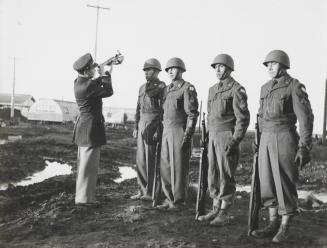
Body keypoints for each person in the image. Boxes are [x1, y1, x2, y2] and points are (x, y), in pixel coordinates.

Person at [251, 50, 314, 243]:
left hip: (285, 136)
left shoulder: (294, 86)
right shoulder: (264, 88)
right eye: (267, 64)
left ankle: (285, 226)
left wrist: (304, 146)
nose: (269, 67)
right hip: (266, 138)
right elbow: (261, 116)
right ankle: (273, 223)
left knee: (284, 182)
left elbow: (305, 118)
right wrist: (258, 140)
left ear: (284, 65)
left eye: (273, 64)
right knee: (267, 182)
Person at [197, 54, 250, 226]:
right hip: (212, 136)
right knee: (213, 173)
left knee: (226, 175)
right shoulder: (212, 89)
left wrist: (235, 141)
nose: (218, 70)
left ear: (229, 68)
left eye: (221, 66)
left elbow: (242, 119)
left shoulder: (236, 89)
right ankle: (214, 209)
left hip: (227, 136)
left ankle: (224, 212)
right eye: (216, 67)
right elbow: (211, 115)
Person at [157, 57, 199, 210]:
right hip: (166, 131)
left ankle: (179, 201)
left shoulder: (187, 88)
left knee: (179, 167)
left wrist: (188, 135)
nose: (170, 72)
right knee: (166, 166)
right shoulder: (166, 90)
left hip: (179, 131)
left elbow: (192, 114)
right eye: (168, 69)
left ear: (181, 70)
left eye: (173, 69)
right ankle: (169, 199)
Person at [72, 53, 113, 206]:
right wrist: (104, 74)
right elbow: (108, 91)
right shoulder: (88, 85)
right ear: (86, 70)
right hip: (91, 129)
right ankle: (85, 200)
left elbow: (93, 84)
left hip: (84, 128)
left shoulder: (78, 82)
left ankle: (83, 198)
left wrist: (100, 74)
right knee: (89, 166)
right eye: (92, 68)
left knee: (84, 164)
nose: (93, 69)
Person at [130, 58, 166, 201]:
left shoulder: (162, 87)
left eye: (149, 70)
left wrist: (158, 128)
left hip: (153, 123)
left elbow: (163, 110)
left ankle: (151, 192)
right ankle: (141, 189)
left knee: (151, 159)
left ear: (157, 71)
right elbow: (138, 109)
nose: (146, 73)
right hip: (142, 124)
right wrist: (135, 127)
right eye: (145, 70)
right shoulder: (141, 88)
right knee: (140, 160)